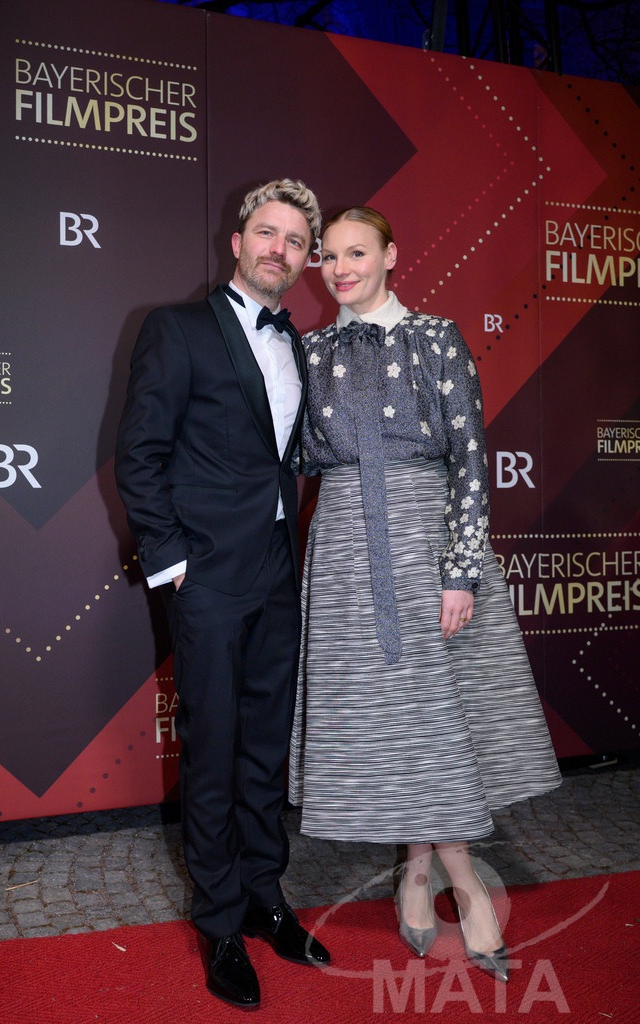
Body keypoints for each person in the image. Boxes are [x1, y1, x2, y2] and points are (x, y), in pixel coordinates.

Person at [288, 206, 561, 983]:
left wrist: (458, 569)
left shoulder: (435, 337)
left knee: (440, 720)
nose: (340, 269)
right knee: (393, 723)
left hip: (426, 545)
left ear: (390, 254)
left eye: (356, 252)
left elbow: (472, 459)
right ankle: (424, 867)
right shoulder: (309, 353)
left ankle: (452, 876)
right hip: (343, 548)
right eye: (328, 256)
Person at [115, 179, 330, 1011]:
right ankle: (215, 922)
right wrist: (174, 568)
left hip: (277, 571)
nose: (279, 248)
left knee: (263, 747)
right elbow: (139, 456)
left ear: (305, 260)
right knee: (212, 749)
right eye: (266, 233)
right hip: (205, 577)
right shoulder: (175, 329)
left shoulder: (300, 344)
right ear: (236, 240)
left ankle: (262, 897)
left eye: (294, 240)